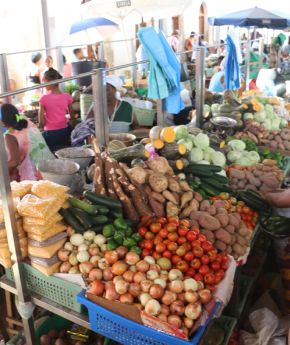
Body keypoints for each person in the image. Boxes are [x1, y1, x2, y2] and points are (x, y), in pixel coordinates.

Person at [71, 75, 133, 146]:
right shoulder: (96, 105)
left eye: (107, 89)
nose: (104, 92)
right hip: (102, 146)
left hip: (124, 144)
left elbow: (136, 126)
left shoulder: (127, 106)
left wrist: (129, 136)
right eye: (101, 90)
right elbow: (85, 126)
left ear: (115, 89)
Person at [1, 104, 54, 181]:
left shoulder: (9, 136)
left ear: (2, 122)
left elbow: (14, 162)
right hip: (52, 165)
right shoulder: (26, 121)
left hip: (37, 174)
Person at [39, 68, 74, 151]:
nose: (43, 84)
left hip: (50, 134)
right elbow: (72, 118)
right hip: (64, 132)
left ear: (49, 82)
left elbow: (41, 123)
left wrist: (40, 129)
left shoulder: (44, 99)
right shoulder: (67, 96)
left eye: (44, 81)